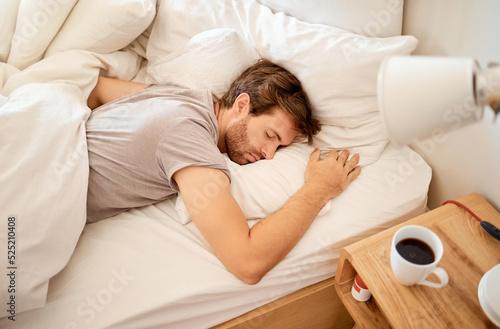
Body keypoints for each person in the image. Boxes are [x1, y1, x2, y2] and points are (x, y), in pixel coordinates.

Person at [85, 59, 361, 284]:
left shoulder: (181, 96)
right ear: (241, 105)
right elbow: (247, 262)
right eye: (269, 134)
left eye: (279, 146)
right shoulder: (190, 140)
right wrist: (319, 189)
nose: (269, 154)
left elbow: (94, 89)